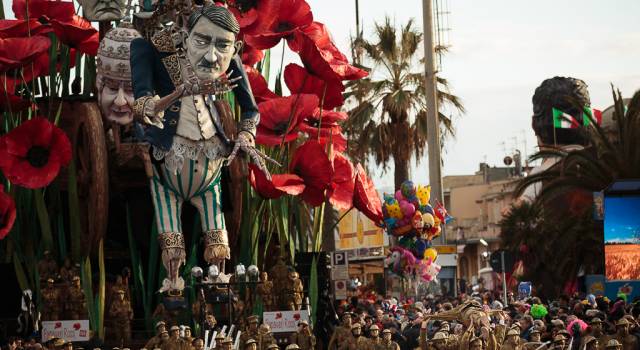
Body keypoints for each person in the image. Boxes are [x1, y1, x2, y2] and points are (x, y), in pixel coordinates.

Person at [130, 3, 265, 292]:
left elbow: (250, 110)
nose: (212, 54)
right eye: (201, 40)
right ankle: (173, 287)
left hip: (211, 160)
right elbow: (142, 106)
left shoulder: (227, 54)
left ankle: (218, 288)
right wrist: (180, 91)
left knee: (218, 243)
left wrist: (246, 136)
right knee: (172, 245)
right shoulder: (148, 48)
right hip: (168, 155)